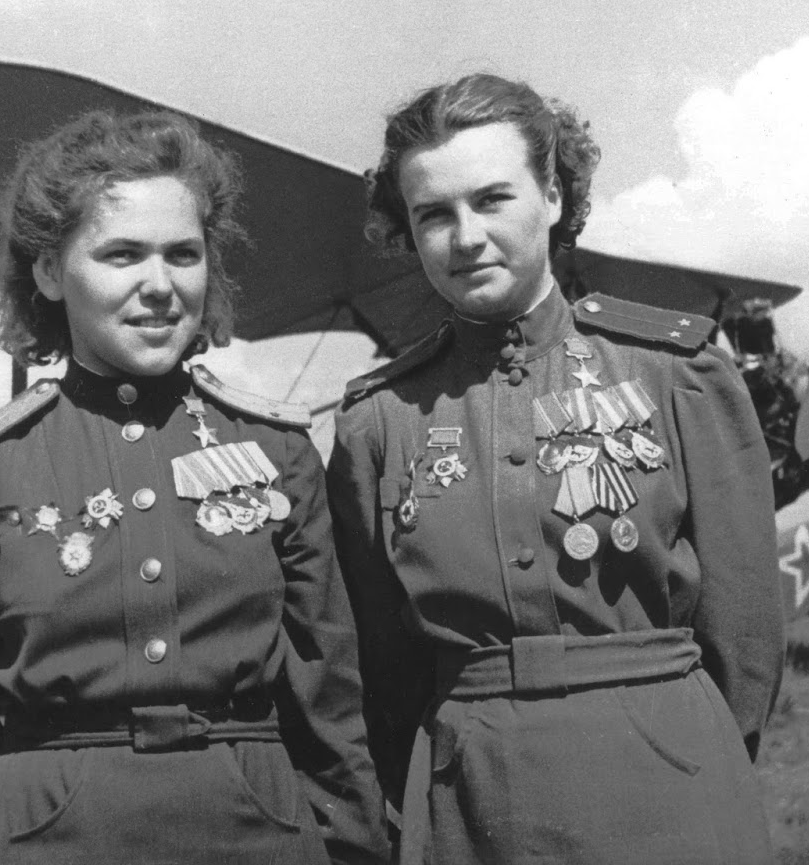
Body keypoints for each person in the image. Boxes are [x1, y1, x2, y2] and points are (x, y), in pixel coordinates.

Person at [0, 110, 388, 865]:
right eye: (122, 255)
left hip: (257, 832)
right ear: (51, 273)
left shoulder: (277, 451)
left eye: (183, 255)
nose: (160, 285)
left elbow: (332, 708)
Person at [327, 74, 785, 864]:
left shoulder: (676, 373)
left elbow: (744, 636)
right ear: (407, 231)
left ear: (552, 193)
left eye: (493, 199)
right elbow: (382, 667)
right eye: (434, 214)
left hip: (669, 782)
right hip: (473, 803)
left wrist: (689, 749)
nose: (465, 236)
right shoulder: (380, 421)